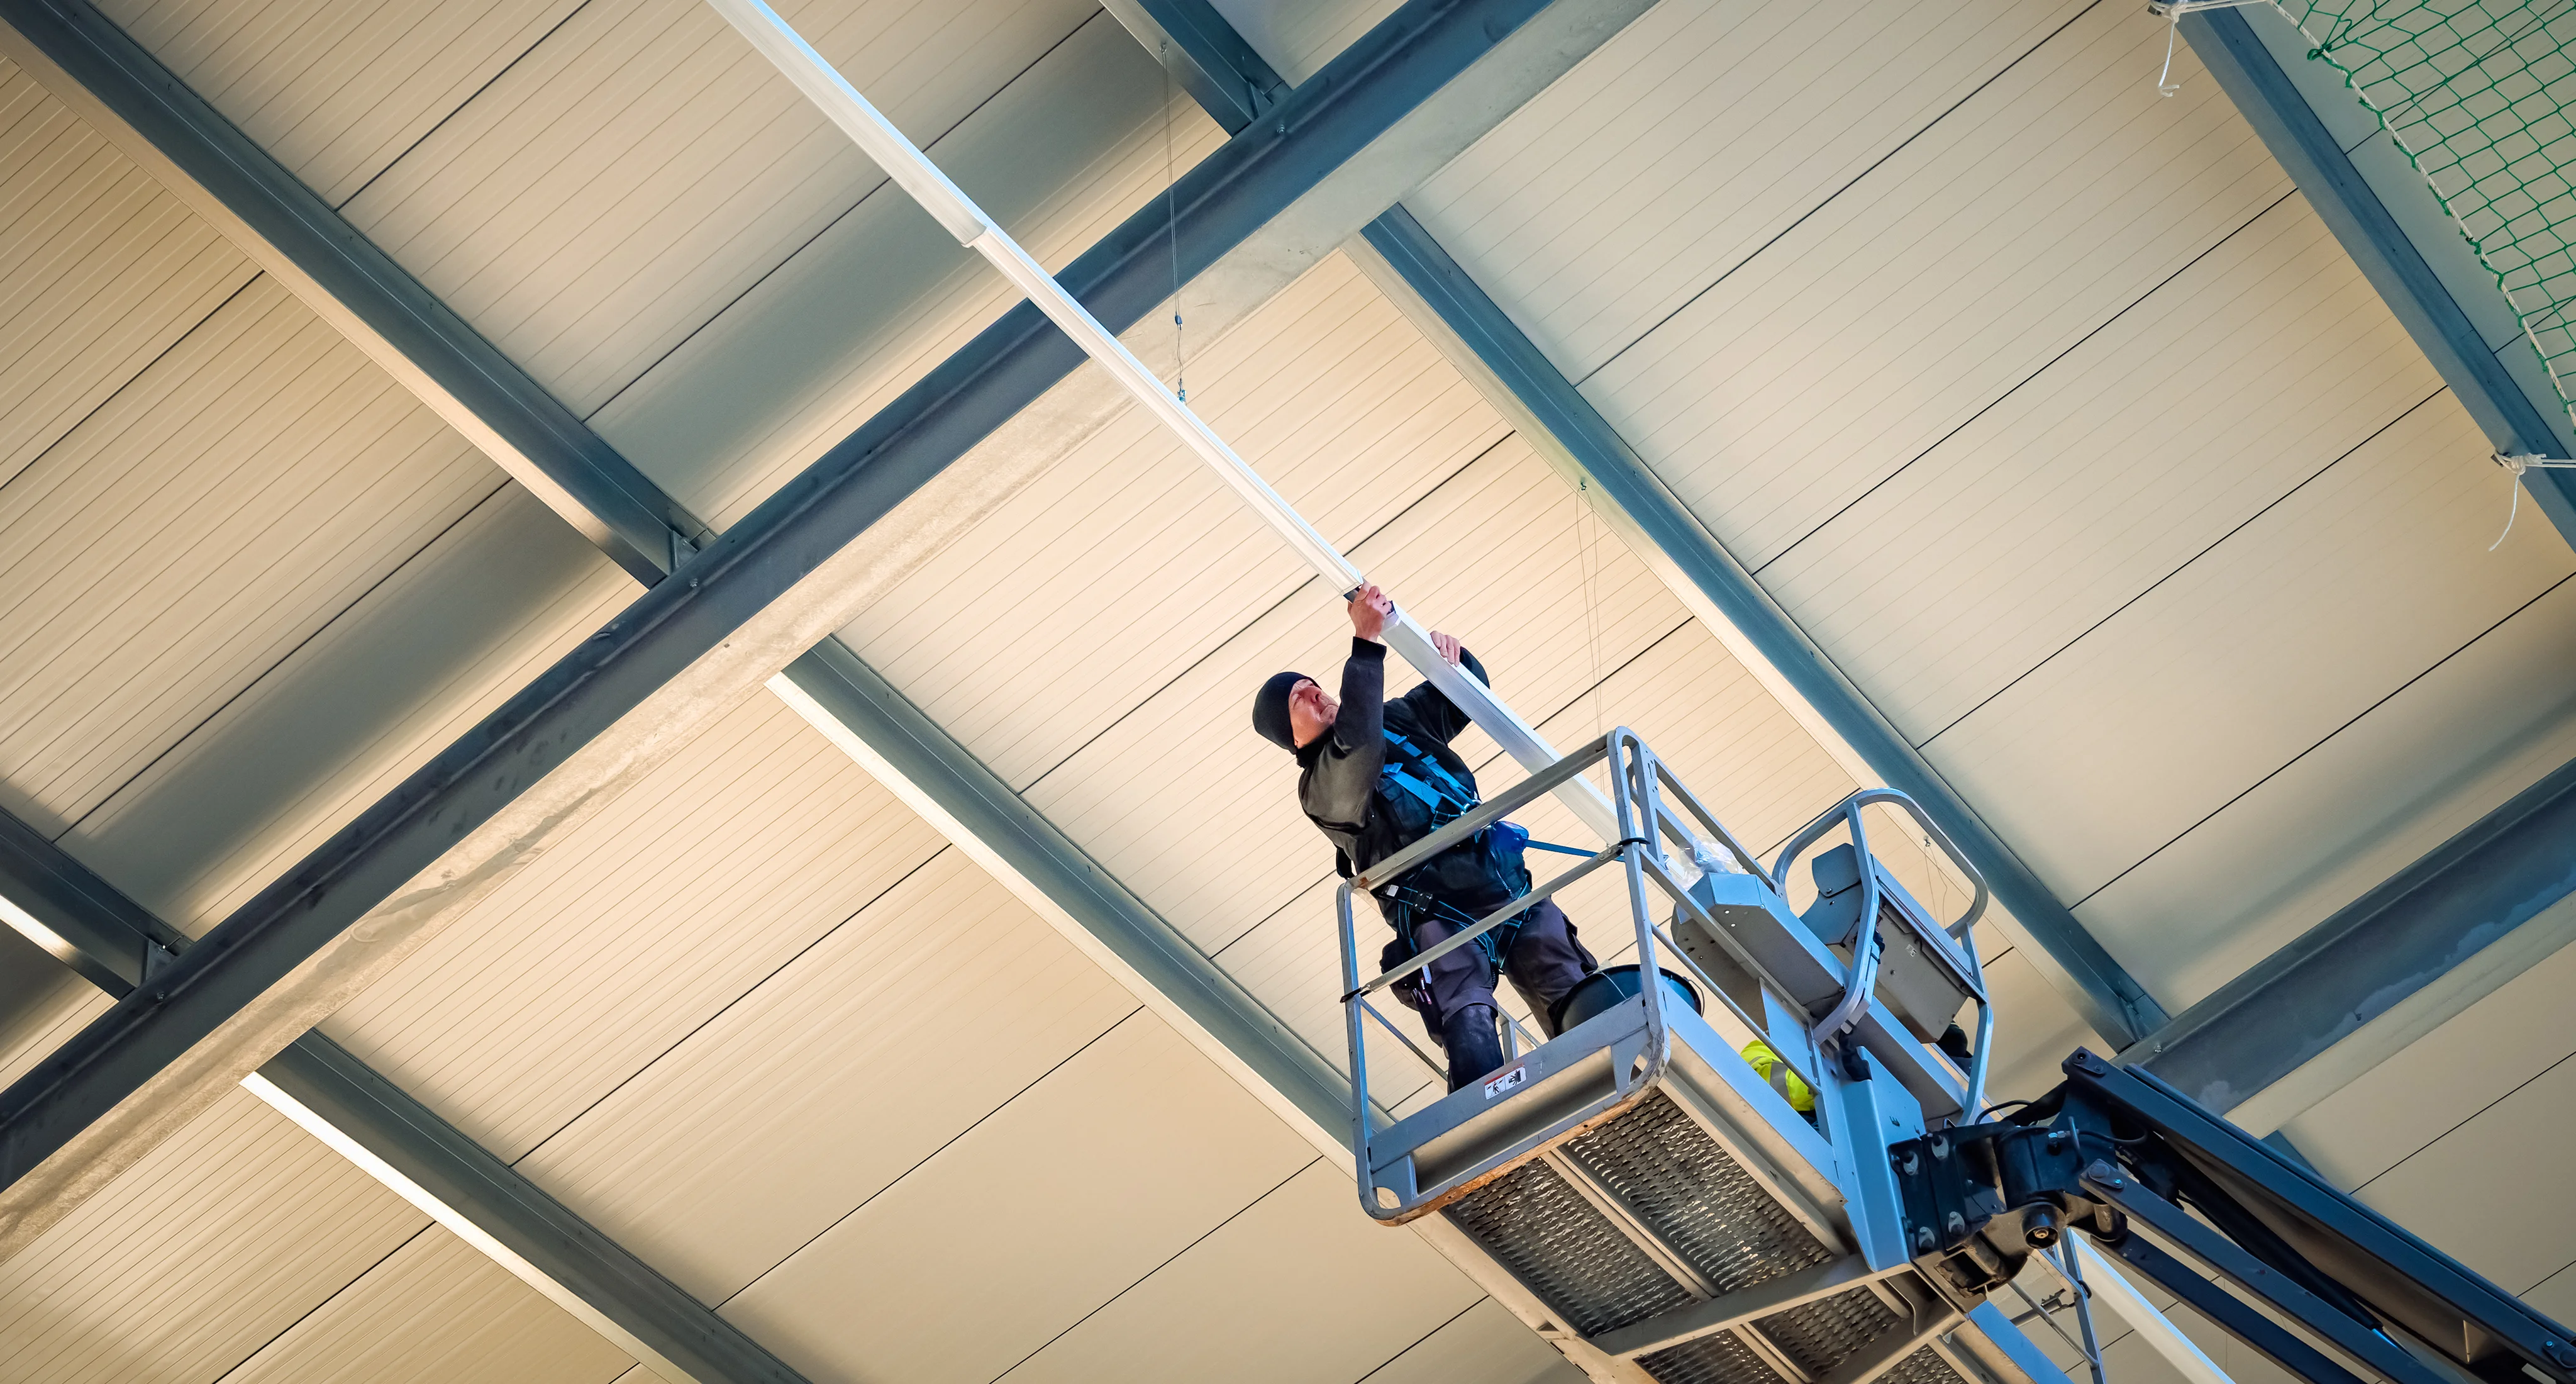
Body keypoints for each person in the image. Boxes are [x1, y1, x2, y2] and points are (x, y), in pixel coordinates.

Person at [1252, 584, 1597, 1091]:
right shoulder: (1321, 790)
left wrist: (1454, 662)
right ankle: (1489, 1115)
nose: (1318, 694)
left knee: (1569, 985)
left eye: (1314, 685)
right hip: (1439, 913)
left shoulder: (1396, 720)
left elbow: (1461, 698)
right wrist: (1366, 645)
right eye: (1300, 699)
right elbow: (1357, 750)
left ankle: (1609, 1071)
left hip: (1505, 890)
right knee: (1465, 1006)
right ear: (1292, 736)